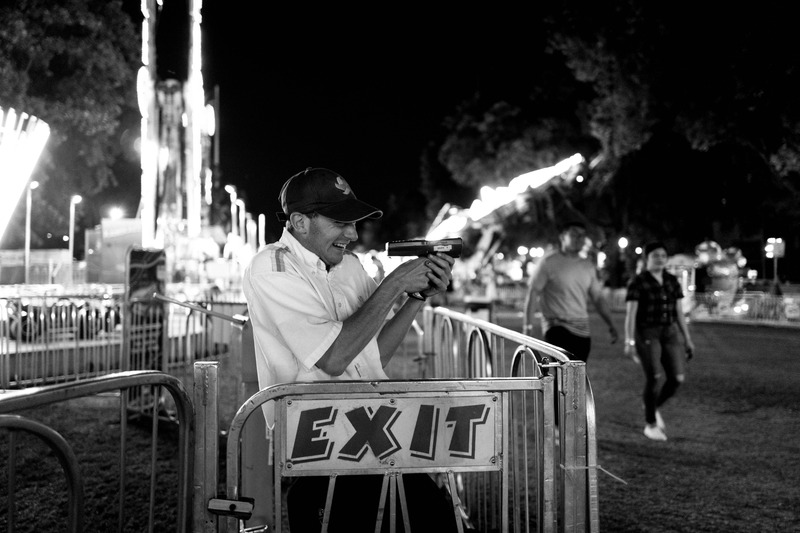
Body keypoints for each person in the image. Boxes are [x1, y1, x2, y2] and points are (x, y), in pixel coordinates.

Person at [242, 167, 459, 533]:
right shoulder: (271, 267)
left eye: (354, 222)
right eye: (341, 221)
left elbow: (373, 354)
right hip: (321, 444)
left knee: (436, 516)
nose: (353, 233)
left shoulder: (351, 266)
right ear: (299, 222)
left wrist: (417, 298)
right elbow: (333, 358)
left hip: (373, 432)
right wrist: (394, 283)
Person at [623, 241, 695, 442]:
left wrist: (687, 338)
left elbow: (679, 312)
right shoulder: (638, 282)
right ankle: (651, 424)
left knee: (677, 378)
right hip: (647, 332)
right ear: (647, 258)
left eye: (663, 255)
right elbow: (631, 314)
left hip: (670, 332)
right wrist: (629, 341)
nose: (660, 259)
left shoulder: (672, 281)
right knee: (654, 377)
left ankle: (652, 405)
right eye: (656, 255)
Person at [523, 220, 619, 362]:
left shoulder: (587, 265)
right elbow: (533, 292)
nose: (579, 239)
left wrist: (611, 324)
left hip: (582, 328)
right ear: (562, 237)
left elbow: (598, 298)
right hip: (556, 326)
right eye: (574, 234)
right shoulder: (549, 262)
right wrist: (527, 326)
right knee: (562, 372)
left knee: (577, 377)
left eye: (582, 235)